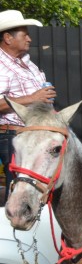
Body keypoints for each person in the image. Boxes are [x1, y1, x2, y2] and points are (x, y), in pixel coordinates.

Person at [0, 10, 57, 192]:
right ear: (8, 38)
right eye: (24, 35)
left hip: (37, 133)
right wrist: (33, 98)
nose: (29, 39)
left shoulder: (28, 64)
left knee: (40, 186)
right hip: (14, 136)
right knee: (19, 188)